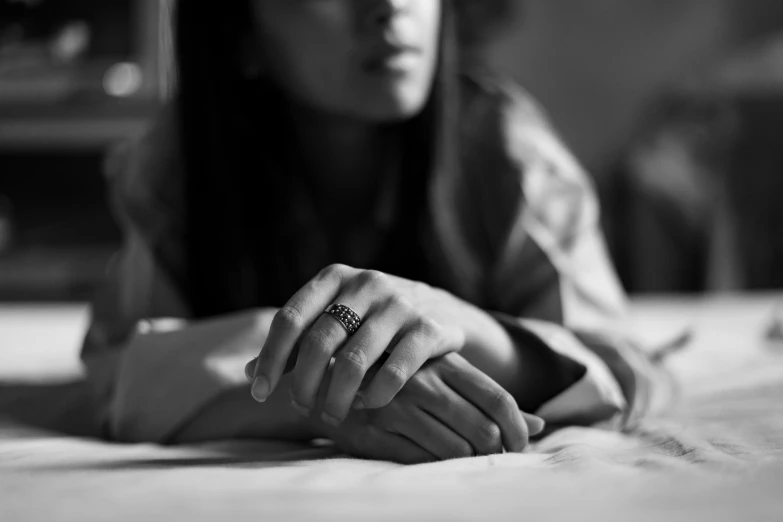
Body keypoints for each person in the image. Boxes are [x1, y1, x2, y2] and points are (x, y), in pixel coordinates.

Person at [81, 0, 649, 464]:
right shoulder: (183, 163)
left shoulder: (508, 150)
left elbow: (618, 366)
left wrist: (449, 320)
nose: (390, 6)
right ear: (242, 36)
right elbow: (121, 373)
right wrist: (327, 392)